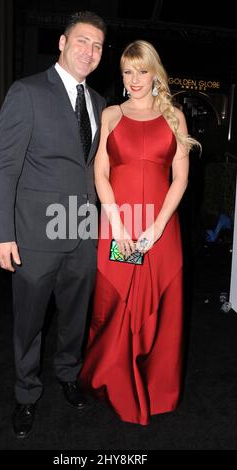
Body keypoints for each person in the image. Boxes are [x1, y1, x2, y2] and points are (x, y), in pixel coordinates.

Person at [0, 11, 106, 438]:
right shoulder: (28, 92)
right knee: (30, 320)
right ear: (62, 42)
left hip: (82, 231)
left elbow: (96, 171)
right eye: (82, 41)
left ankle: (68, 375)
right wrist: (1, 233)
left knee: (75, 315)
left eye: (97, 46)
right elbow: (4, 166)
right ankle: (25, 394)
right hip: (35, 234)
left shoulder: (100, 104)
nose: (89, 52)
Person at [79, 40, 201, 425]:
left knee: (162, 308)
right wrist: (116, 224)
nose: (134, 79)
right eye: (127, 72)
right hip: (119, 226)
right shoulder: (111, 114)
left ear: (155, 73)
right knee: (116, 305)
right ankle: (113, 379)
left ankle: (156, 386)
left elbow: (180, 179)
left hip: (161, 230)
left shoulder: (175, 117)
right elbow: (100, 173)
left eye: (141, 71)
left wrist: (157, 226)